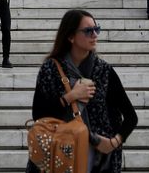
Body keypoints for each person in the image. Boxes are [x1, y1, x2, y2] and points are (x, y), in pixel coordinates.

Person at [26, 9, 138, 173]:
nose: (94, 35)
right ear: (71, 36)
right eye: (88, 31)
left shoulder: (104, 71)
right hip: (58, 155)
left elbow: (130, 116)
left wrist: (114, 142)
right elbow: (38, 115)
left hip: (98, 160)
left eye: (96, 29)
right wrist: (71, 96)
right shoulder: (50, 69)